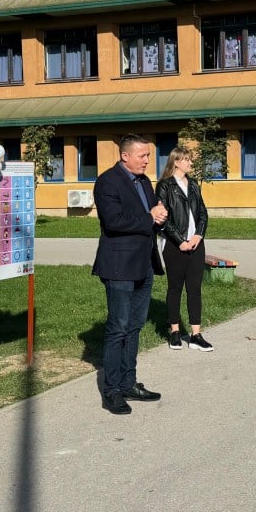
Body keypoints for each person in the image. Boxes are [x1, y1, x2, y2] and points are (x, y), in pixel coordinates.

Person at [93, 134, 167, 415]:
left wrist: (160, 217)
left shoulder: (144, 182)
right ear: (125, 156)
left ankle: (128, 382)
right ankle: (111, 390)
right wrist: (150, 217)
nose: (147, 160)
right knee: (118, 328)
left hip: (144, 264)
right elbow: (114, 222)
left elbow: (153, 214)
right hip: (119, 266)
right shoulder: (108, 182)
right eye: (142, 155)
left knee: (135, 326)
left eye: (148, 155)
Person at [155, 145, 212, 352]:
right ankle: (175, 332)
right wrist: (180, 241)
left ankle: (196, 335)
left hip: (196, 243)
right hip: (174, 245)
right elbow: (163, 218)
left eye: (190, 159)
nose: (190, 163)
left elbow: (203, 213)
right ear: (176, 162)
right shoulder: (165, 185)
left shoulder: (194, 184)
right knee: (175, 287)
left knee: (195, 288)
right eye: (186, 159)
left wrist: (198, 235)